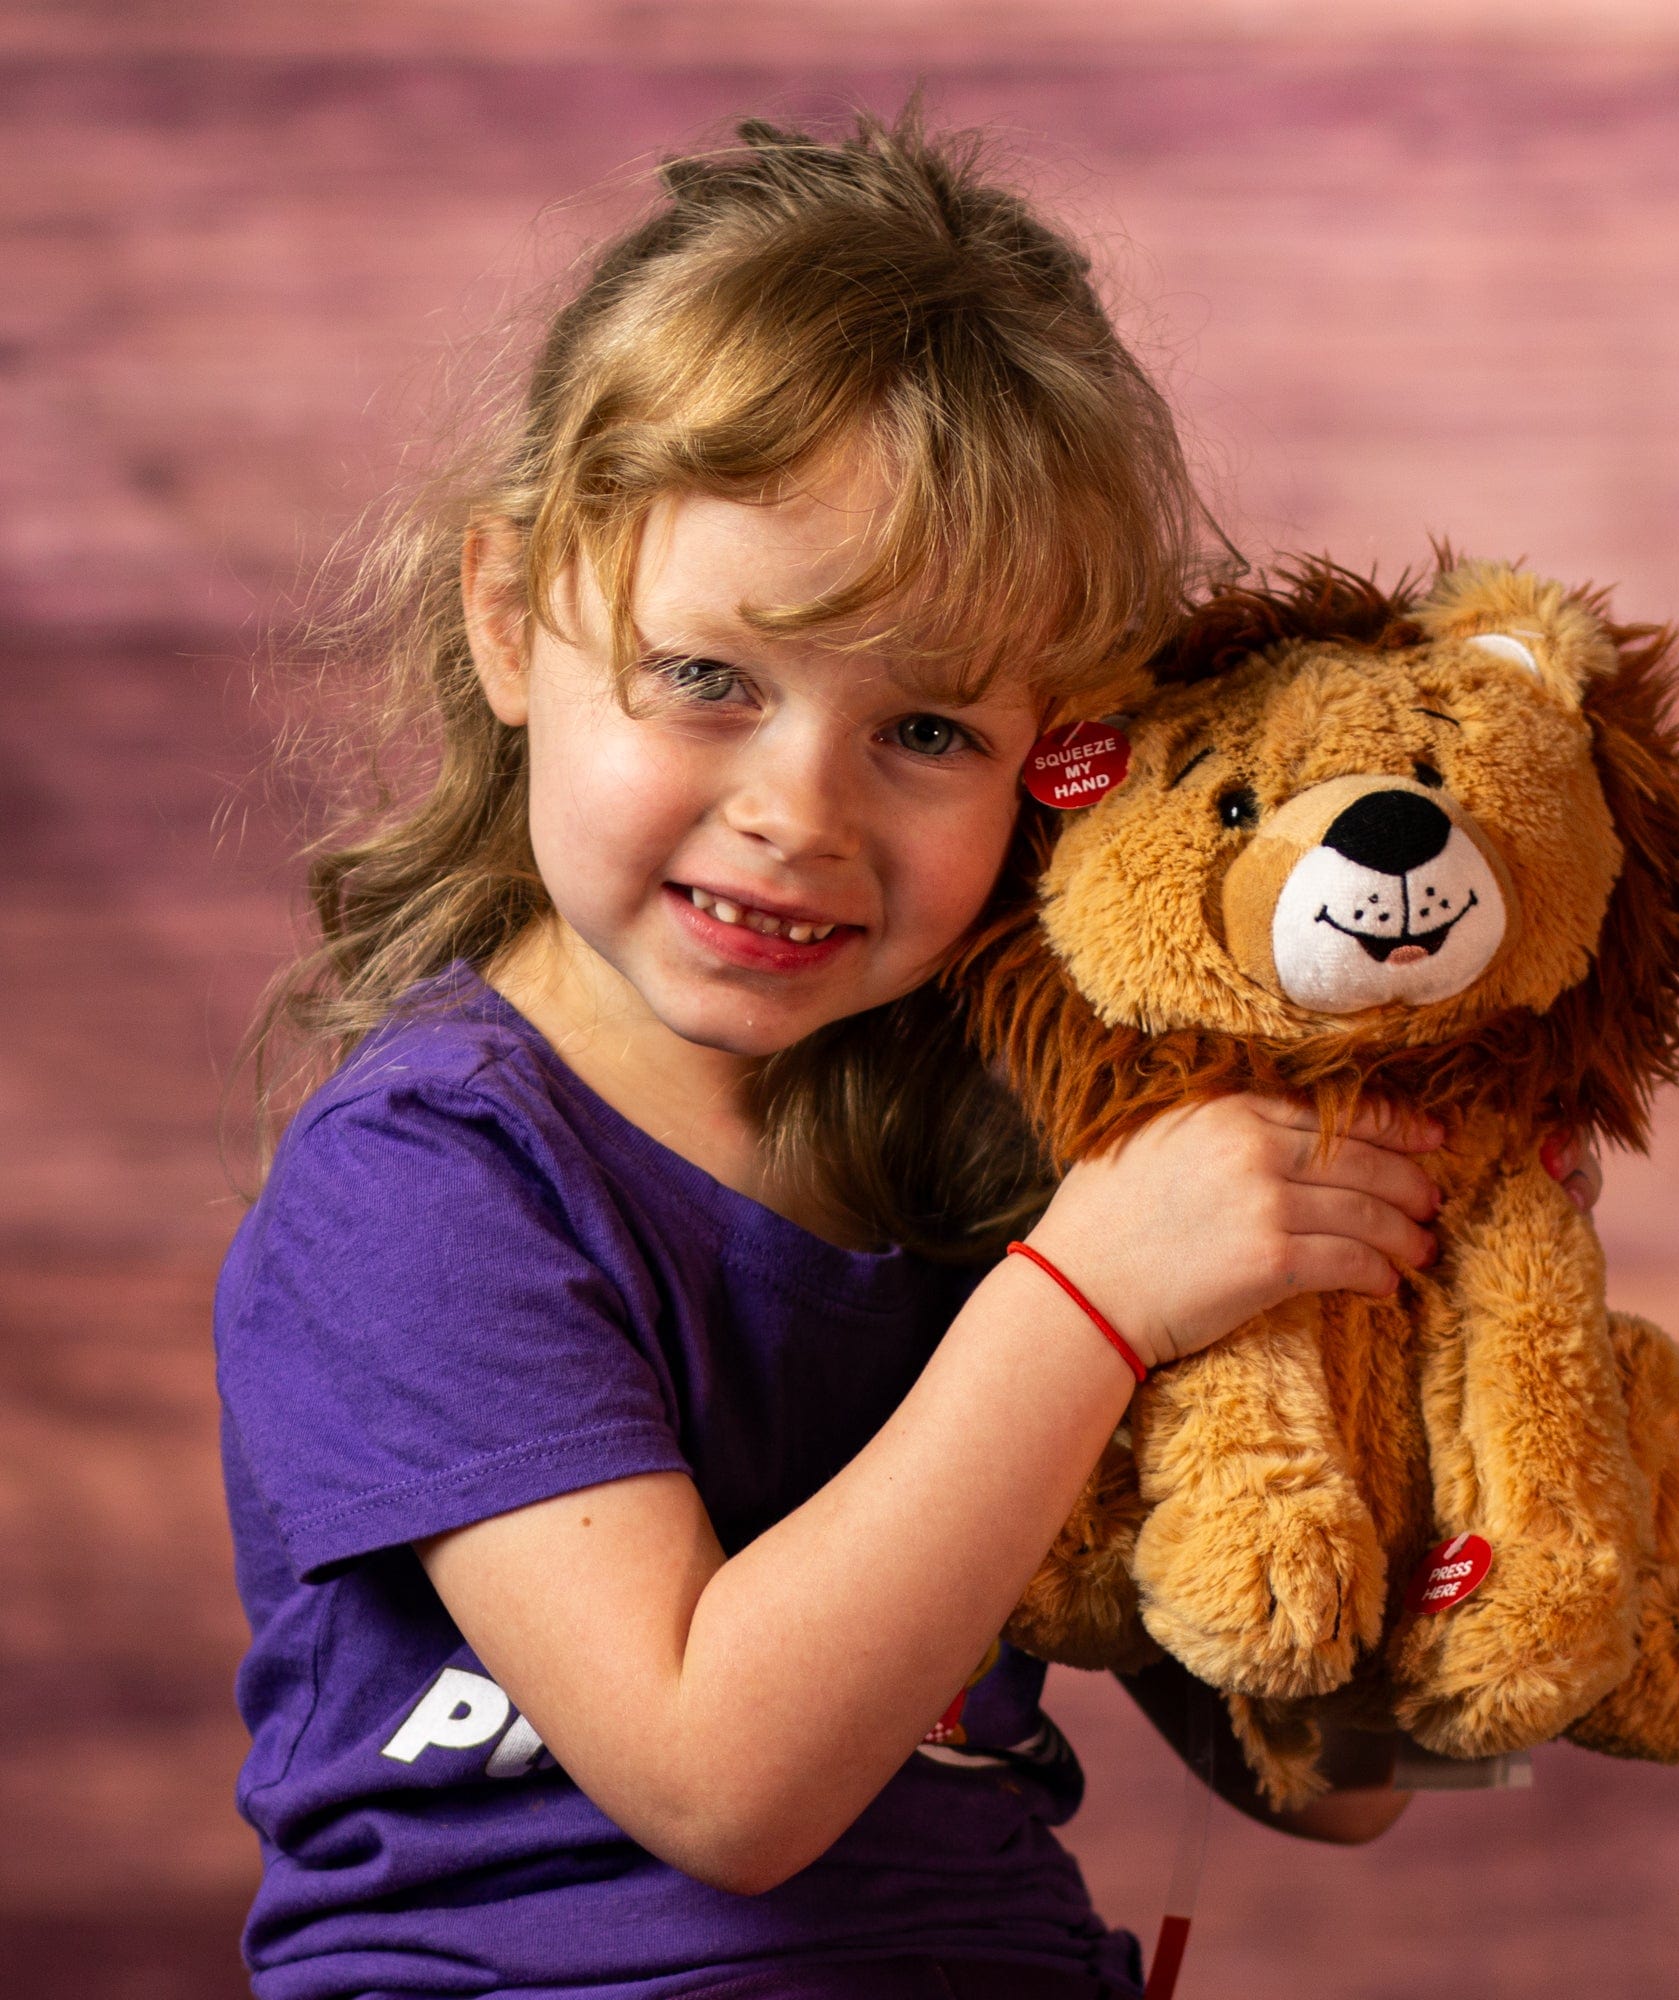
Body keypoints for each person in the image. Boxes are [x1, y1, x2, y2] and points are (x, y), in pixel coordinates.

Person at [217, 108, 1601, 2000]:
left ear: (1066, 754)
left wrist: (1475, 1472)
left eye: (933, 730)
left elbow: (1324, 1785)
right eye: (709, 678)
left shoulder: (1008, 1148)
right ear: (509, 614)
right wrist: (1092, 1301)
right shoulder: (426, 1186)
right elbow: (722, 1779)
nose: (799, 811)